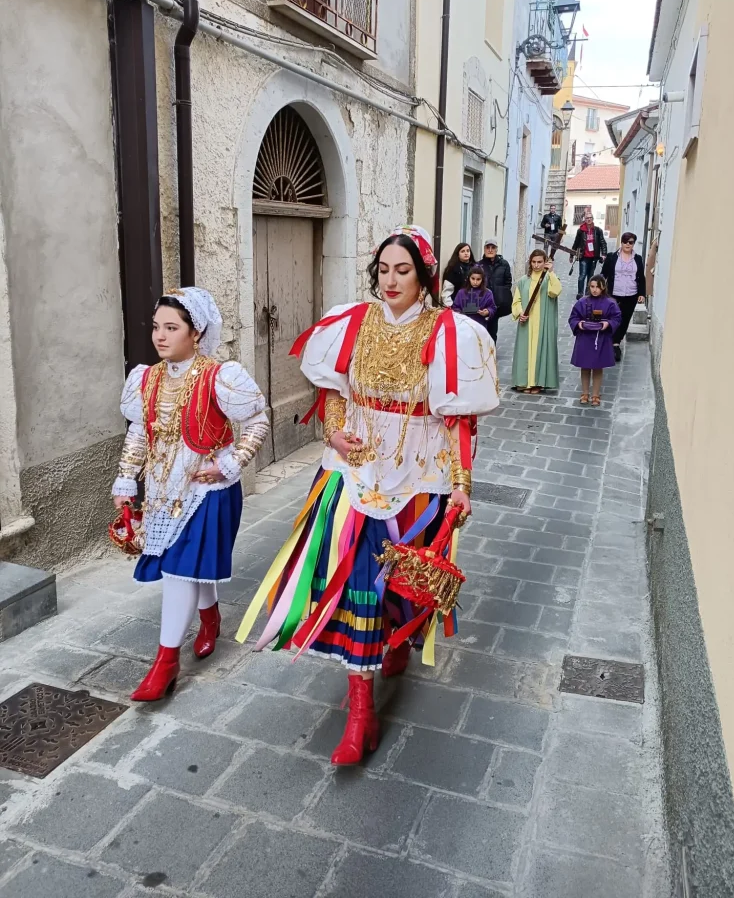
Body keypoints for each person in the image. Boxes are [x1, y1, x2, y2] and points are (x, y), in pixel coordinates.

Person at [236, 226, 498, 765]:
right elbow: (332, 391)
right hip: (354, 474)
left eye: (403, 270)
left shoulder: (450, 333)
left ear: (424, 277)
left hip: (418, 475)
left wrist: (462, 485)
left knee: (404, 577)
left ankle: (397, 639)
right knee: (357, 581)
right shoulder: (352, 322)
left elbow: (459, 420)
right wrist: (333, 432)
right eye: (383, 270)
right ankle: (360, 713)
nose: (391, 280)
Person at [111, 287, 269, 702]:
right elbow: (139, 433)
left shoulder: (221, 376)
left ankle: (165, 663)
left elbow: (258, 422)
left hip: (208, 488)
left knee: (180, 570)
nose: (160, 336)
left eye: (171, 328)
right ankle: (210, 617)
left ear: (195, 332)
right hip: (163, 489)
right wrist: (125, 480)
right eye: (156, 327)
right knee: (189, 567)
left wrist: (231, 464)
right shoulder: (146, 378)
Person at [511, 249, 562, 393]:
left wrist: (551, 272)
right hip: (527, 322)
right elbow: (516, 300)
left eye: (540, 262)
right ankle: (524, 381)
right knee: (525, 352)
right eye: (533, 262)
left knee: (540, 349)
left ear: (545, 262)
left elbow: (555, 291)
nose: (536, 265)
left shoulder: (549, 278)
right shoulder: (523, 280)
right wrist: (520, 313)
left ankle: (538, 382)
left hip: (543, 322)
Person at [568, 275, 621, 406]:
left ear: (603, 287)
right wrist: (579, 324)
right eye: (592, 287)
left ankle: (596, 394)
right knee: (585, 367)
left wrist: (607, 324)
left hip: (601, 339)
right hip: (585, 339)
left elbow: (616, 318)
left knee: (598, 367)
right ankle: (585, 393)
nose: (594, 290)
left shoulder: (610, 303)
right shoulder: (582, 302)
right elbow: (573, 317)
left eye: (597, 287)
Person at [602, 232, 646, 362]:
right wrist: (599, 290)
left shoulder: (637, 259)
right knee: (614, 318)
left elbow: (641, 277)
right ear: (621, 242)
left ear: (633, 244)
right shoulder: (612, 257)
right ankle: (615, 345)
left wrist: (642, 293)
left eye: (630, 242)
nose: (628, 244)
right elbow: (604, 274)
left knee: (625, 320)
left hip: (631, 294)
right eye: (625, 241)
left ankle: (617, 340)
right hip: (614, 294)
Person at [479, 238, 513, 343]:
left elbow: (508, 282)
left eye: (493, 247)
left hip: (496, 304)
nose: (490, 250)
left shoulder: (504, 264)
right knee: (482, 330)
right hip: (482, 303)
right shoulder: (479, 265)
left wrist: (502, 296)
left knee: (493, 331)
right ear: (484, 249)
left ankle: (492, 350)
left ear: (496, 249)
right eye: (488, 247)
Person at [571, 212, 607, 297]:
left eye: (590, 217)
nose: (589, 219)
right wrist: (571, 255)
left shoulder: (598, 230)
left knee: (591, 277)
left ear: (593, 219)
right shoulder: (581, 231)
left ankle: (588, 293)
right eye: (587, 218)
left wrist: (604, 254)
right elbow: (576, 243)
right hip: (583, 256)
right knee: (582, 275)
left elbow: (603, 242)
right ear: (585, 219)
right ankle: (580, 293)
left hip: (594, 257)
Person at [451, 265, 496, 330]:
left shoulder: (488, 293)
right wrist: (460, 313)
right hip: (464, 325)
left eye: (478, 279)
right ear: (469, 278)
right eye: (473, 278)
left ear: (482, 279)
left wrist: (487, 311)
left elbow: (492, 307)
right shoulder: (461, 292)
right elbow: (455, 307)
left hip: (480, 325)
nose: (475, 282)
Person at [441, 242, 475, 306]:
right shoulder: (452, 270)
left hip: (474, 305)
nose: (466, 253)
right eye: (463, 251)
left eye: (468, 251)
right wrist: (451, 306)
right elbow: (447, 292)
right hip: (457, 306)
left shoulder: (475, 268)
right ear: (458, 254)